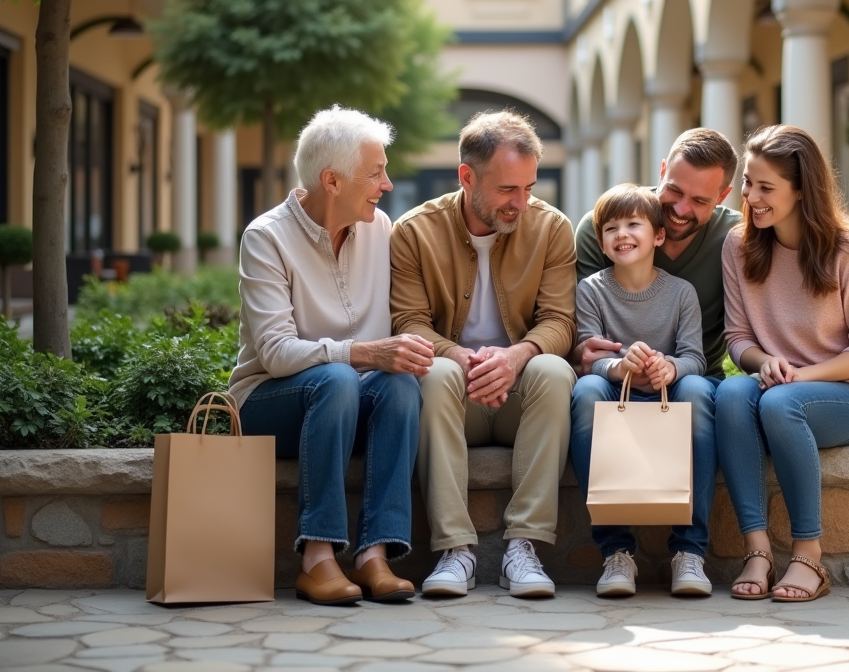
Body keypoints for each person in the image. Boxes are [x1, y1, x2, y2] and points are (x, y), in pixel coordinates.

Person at [230, 106, 431, 607]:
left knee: (401, 385)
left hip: (347, 399)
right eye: (376, 172)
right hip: (268, 403)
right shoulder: (266, 237)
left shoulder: (381, 229)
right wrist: (360, 353)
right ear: (332, 180)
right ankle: (317, 560)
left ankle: (373, 556)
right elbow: (275, 354)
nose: (386, 184)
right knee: (339, 377)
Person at [391, 110, 577, 598]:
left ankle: (525, 546)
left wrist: (515, 358)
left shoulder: (552, 228)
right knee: (432, 375)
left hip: (521, 399)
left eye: (529, 188)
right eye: (507, 190)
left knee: (554, 371)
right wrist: (465, 359)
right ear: (467, 177)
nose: (522, 202)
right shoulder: (414, 232)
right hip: (456, 396)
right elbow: (407, 323)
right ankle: (456, 551)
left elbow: (560, 322)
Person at [716, 125, 849, 603]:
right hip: (780, 385)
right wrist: (765, 360)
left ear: (801, 190)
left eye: (765, 187)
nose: (751, 197)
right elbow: (738, 338)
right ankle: (757, 550)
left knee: (780, 405)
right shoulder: (738, 245)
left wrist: (799, 376)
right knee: (730, 393)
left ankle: (808, 555)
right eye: (749, 183)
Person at [573, 128, 739, 590]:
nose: (683, 209)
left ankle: (689, 551)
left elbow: (704, 349)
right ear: (661, 171)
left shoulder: (732, 237)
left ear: (723, 195)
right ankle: (616, 551)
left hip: (687, 376)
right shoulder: (604, 223)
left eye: (701, 201)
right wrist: (611, 363)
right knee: (586, 393)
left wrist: (672, 366)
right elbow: (585, 339)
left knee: (697, 392)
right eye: (675, 191)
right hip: (614, 379)